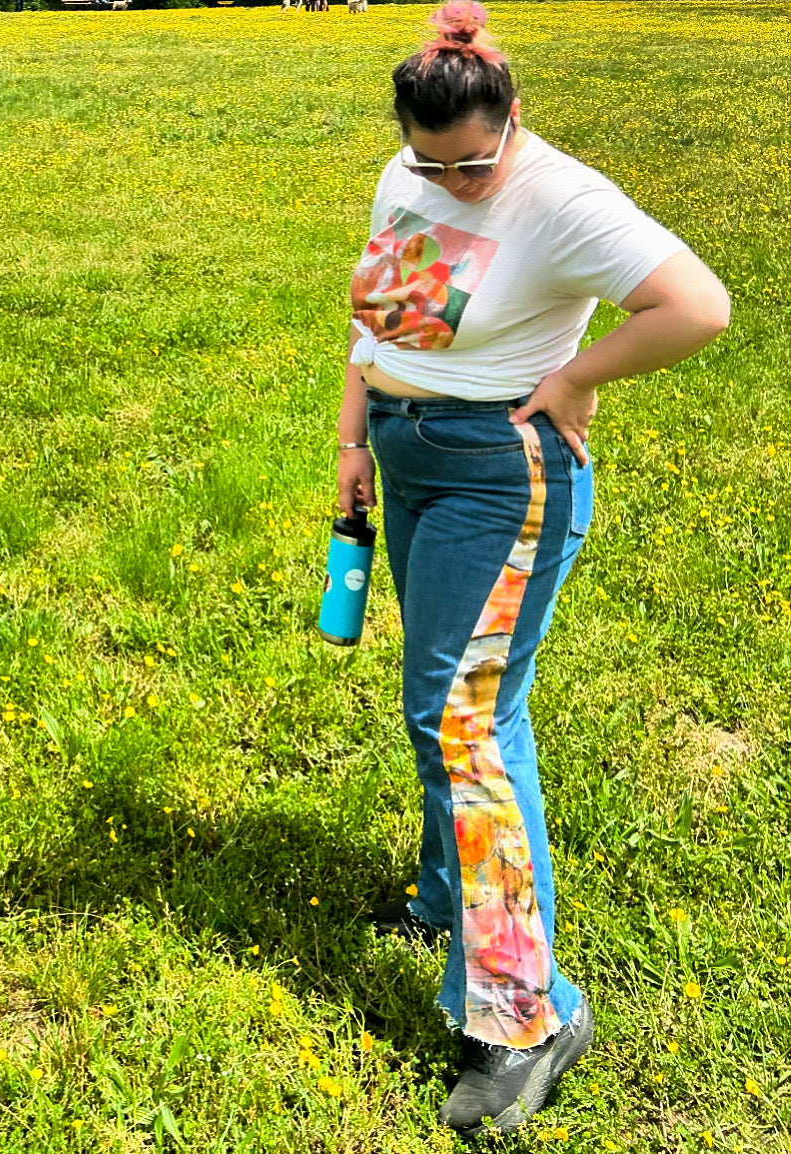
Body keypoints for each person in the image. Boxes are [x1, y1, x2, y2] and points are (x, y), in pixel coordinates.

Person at [336, 1, 729, 1137]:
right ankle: (443, 901)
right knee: (439, 707)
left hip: (500, 477)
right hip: (410, 455)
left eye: (470, 162)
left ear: (512, 118)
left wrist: (573, 374)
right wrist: (355, 441)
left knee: (463, 719)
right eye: (428, 159)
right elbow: (380, 324)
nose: (449, 180)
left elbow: (695, 305)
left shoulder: (558, 195)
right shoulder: (404, 174)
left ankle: (526, 1014)